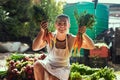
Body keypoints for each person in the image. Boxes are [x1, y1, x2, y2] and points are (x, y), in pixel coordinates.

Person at [32, 14, 95, 80]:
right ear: (55, 25)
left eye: (65, 23)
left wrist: (83, 34)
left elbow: (91, 46)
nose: (62, 25)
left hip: (63, 68)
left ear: (69, 25)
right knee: (37, 65)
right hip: (49, 64)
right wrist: (42, 31)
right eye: (59, 23)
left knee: (53, 78)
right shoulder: (50, 37)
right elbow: (35, 47)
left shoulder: (72, 39)